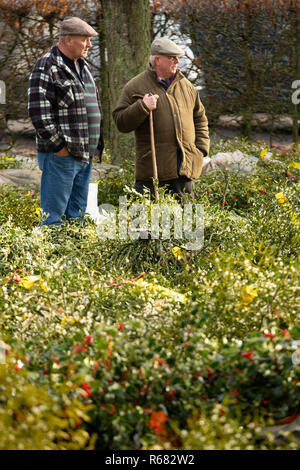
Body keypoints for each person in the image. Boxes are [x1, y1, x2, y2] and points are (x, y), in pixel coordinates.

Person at [112, 37, 210, 202]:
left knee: (190, 225)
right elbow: (120, 122)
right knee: (145, 224)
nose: (177, 61)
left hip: (184, 171)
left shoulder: (187, 87)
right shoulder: (135, 86)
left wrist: (200, 150)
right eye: (171, 57)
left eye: (177, 57)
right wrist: (142, 107)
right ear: (157, 60)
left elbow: (200, 119)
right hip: (151, 173)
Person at [28, 17, 104, 225]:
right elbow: (38, 112)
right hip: (61, 156)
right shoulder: (47, 65)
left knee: (77, 218)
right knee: (53, 218)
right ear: (68, 39)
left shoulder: (84, 67)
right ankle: (51, 256)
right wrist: (60, 147)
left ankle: (72, 257)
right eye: (85, 39)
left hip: (84, 155)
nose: (89, 44)